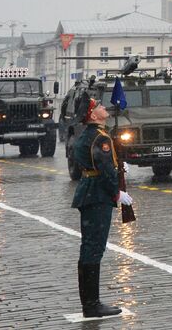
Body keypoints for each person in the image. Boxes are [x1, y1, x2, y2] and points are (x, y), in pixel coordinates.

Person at [72, 101, 127, 318]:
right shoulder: (100, 138)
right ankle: (92, 304)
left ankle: (89, 302)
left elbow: (92, 162)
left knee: (89, 247)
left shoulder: (87, 135)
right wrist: (116, 192)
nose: (104, 106)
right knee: (94, 248)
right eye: (98, 106)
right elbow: (104, 170)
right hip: (98, 195)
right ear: (93, 116)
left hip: (88, 192)